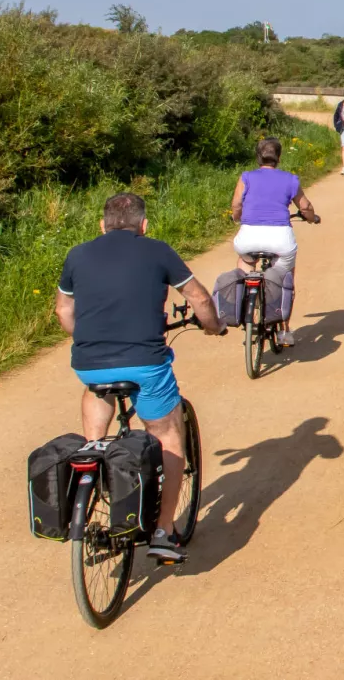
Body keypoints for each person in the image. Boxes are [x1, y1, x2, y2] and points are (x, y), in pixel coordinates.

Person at [56, 192, 224, 565]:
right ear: (144, 225)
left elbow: (63, 309)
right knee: (167, 434)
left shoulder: (77, 254)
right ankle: (164, 530)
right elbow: (198, 298)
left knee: (95, 395)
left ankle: (95, 464)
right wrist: (215, 327)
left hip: (90, 361)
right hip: (145, 363)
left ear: (101, 225)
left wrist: (86, 340)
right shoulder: (157, 250)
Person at [230, 137, 321, 346]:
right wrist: (312, 218)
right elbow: (305, 206)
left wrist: (236, 217)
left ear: (257, 157)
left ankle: (245, 307)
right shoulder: (290, 179)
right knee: (285, 278)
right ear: (278, 158)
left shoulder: (246, 177)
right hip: (280, 239)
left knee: (245, 263)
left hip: (249, 237)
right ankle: (284, 331)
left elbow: (236, 204)